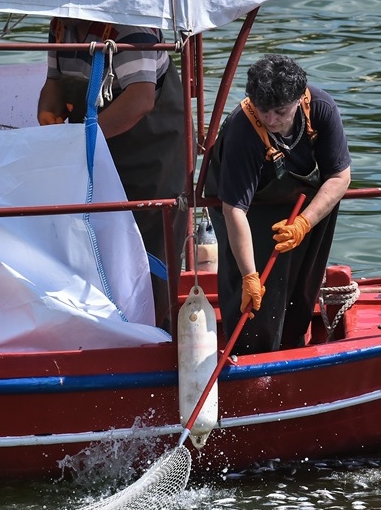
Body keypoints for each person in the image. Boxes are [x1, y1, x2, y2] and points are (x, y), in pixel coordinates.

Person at [36, 18, 188, 331]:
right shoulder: (60, 26)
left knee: (148, 236)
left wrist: (81, 138)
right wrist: (47, 114)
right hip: (92, 146)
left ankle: (152, 329)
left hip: (151, 147)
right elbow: (54, 83)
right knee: (90, 231)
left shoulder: (132, 30)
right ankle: (98, 324)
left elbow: (140, 99)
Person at [204, 54, 351, 354]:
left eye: (280, 111)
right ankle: (250, 355)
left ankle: (293, 345)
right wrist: (249, 276)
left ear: (299, 99)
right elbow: (234, 209)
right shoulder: (243, 130)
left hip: (305, 210)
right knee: (256, 303)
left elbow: (340, 176)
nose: (271, 120)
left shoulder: (322, 109)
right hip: (247, 212)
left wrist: (304, 223)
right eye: (263, 110)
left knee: (302, 284)